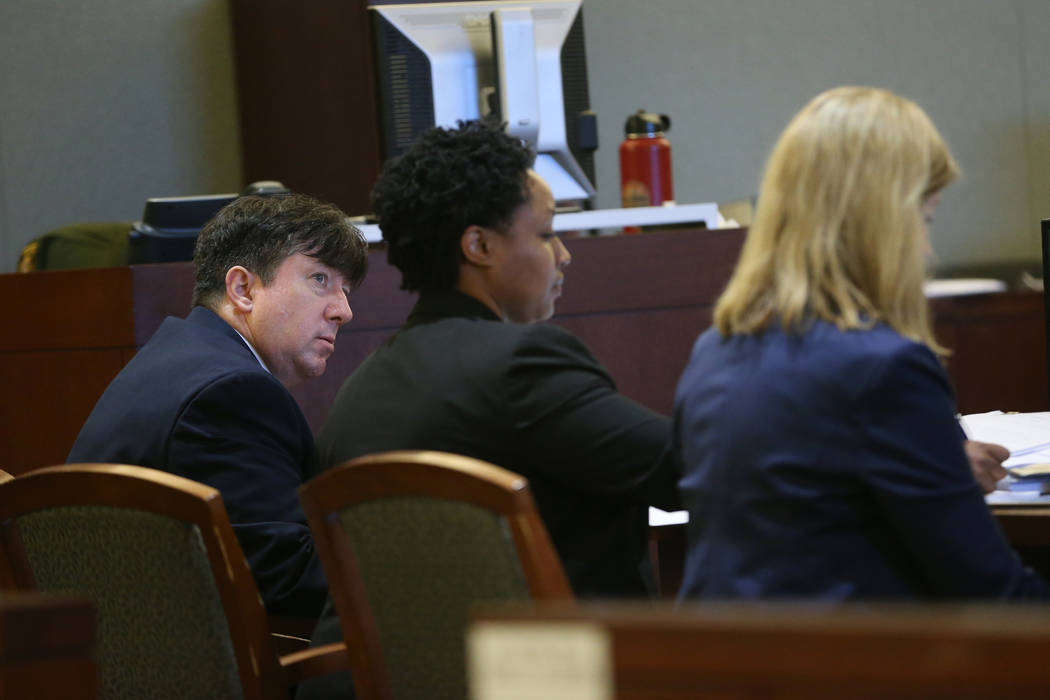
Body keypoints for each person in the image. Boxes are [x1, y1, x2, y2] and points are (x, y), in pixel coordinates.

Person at [295, 118, 677, 699]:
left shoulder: (363, 388)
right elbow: (688, 470)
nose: (565, 256)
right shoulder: (524, 365)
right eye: (548, 234)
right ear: (479, 246)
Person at [673, 86, 1049, 601]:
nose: (926, 247)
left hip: (732, 669)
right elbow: (991, 592)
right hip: (856, 669)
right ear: (883, 222)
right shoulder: (885, 367)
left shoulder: (714, 351)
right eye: (925, 218)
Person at [67, 193, 368, 618]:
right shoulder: (232, 395)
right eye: (320, 279)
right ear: (242, 288)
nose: (344, 311)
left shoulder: (179, 360)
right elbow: (286, 585)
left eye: (347, 290)